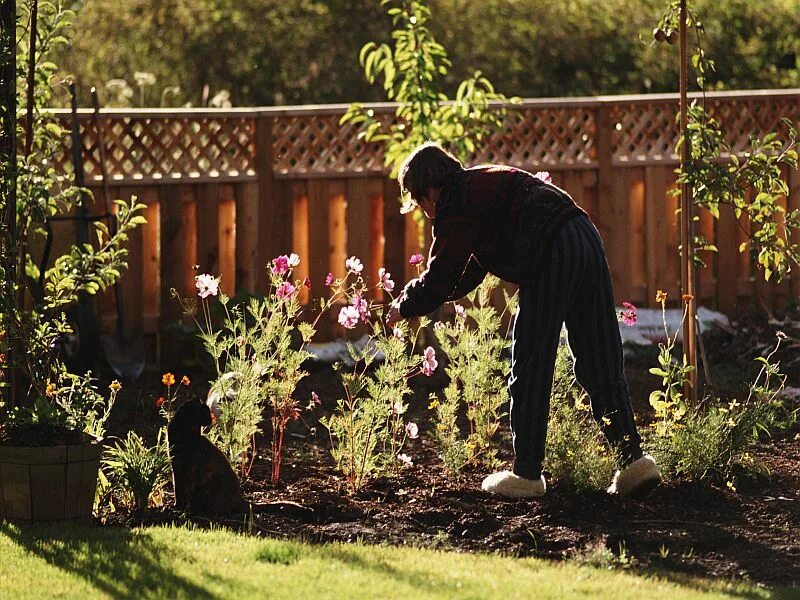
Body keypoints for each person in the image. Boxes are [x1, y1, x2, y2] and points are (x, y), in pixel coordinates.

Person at [385, 141, 660, 499]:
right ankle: (634, 463)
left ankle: (527, 473)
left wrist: (403, 305)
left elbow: (441, 274)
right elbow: (465, 275)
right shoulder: (479, 188)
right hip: (584, 237)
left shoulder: (455, 199)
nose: (424, 212)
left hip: (551, 249)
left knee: (530, 360)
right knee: (598, 357)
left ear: (429, 189)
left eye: (420, 202)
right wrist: (419, 299)